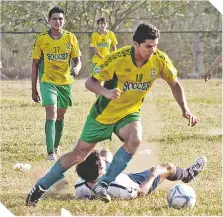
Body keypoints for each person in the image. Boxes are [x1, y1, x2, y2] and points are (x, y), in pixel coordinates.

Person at [26, 23, 199, 206]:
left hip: (128, 113)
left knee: (135, 138)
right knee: (79, 155)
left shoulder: (160, 59)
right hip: (102, 116)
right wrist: (106, 92)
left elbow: (175, 84)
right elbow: (90, 83)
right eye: (149, 46)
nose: (153, 50)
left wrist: (185, 110)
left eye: (156, 45)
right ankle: (40, 186)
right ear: (136, 44)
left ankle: (104, 183)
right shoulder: (117, 58)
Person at [31, 6, 82, 161]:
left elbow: (77, 60)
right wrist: (34, 89)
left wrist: (77, 68)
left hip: (65, 82)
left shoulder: (70, 38)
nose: (57, 21)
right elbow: (34, 64)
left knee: (60, 115)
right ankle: (50, 153)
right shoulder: (41, 39)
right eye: (54, 18)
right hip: (47, 81)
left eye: (60, 19)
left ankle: (56, 146)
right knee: (51, 111)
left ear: (64, 21)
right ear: (49, 21)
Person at [74, 150, 207, 199]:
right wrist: (152, 175)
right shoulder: (120, 186)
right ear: (100, 170)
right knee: (167, 167)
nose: (103, 161)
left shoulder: (79, 184)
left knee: (105, 152)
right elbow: (141, 192)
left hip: (108, 177)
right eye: (102, 163)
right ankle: (188, 175)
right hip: (135, 181)